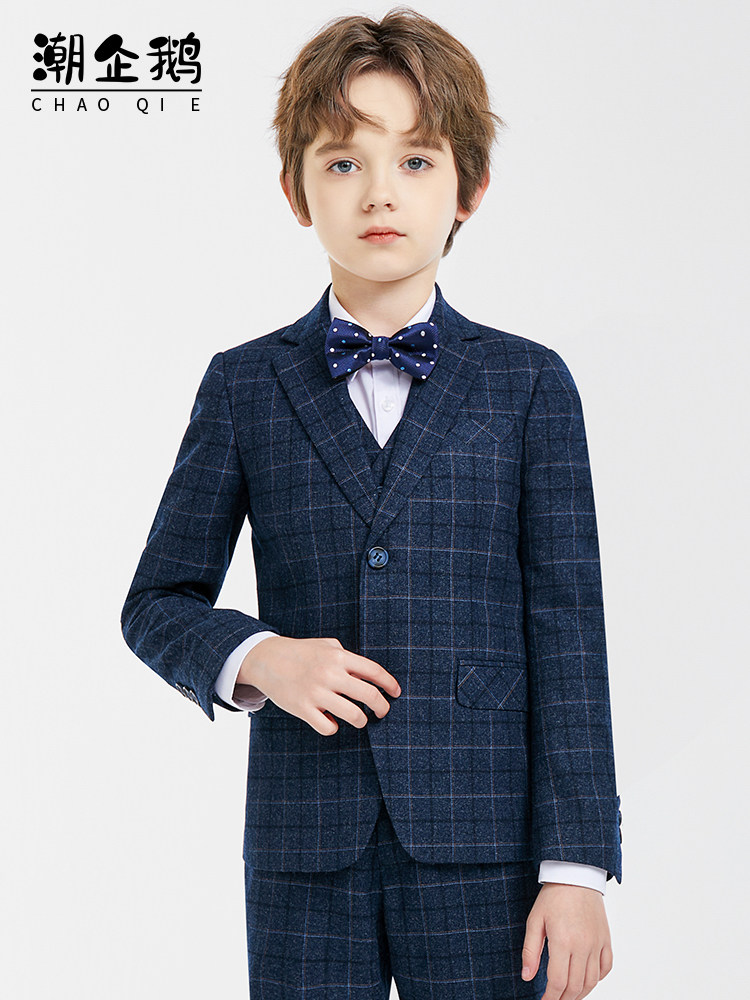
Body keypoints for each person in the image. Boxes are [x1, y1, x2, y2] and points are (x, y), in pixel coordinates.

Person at [121, 8, 623, 999]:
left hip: (487, 849)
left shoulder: (530, 384)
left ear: (470, 189)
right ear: (295, 190)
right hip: (305, 849)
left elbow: (569, 632)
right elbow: (156, 601)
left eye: (417, 160)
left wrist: (576, 869)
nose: (379, 192)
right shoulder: (244, 384)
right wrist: (260, 657)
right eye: (344, 162)